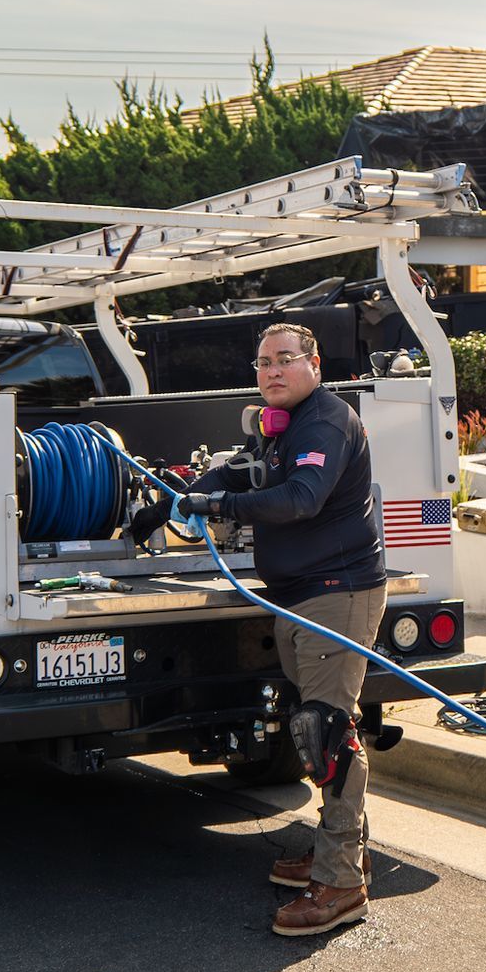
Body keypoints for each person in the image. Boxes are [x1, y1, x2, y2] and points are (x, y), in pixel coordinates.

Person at [143, 320, 387, 940]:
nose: (272, 371)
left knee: (327, 733)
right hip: (298, 596)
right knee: (321, 730)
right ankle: (338, 852)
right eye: (262, 363)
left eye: (284, 360)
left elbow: (302, 497)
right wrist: (178, 496)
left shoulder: (326, 422)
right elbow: (242, 477)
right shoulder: (281, 427)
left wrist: (216, 509)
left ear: (314, 364)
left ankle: (340, 884)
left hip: (338, 594)